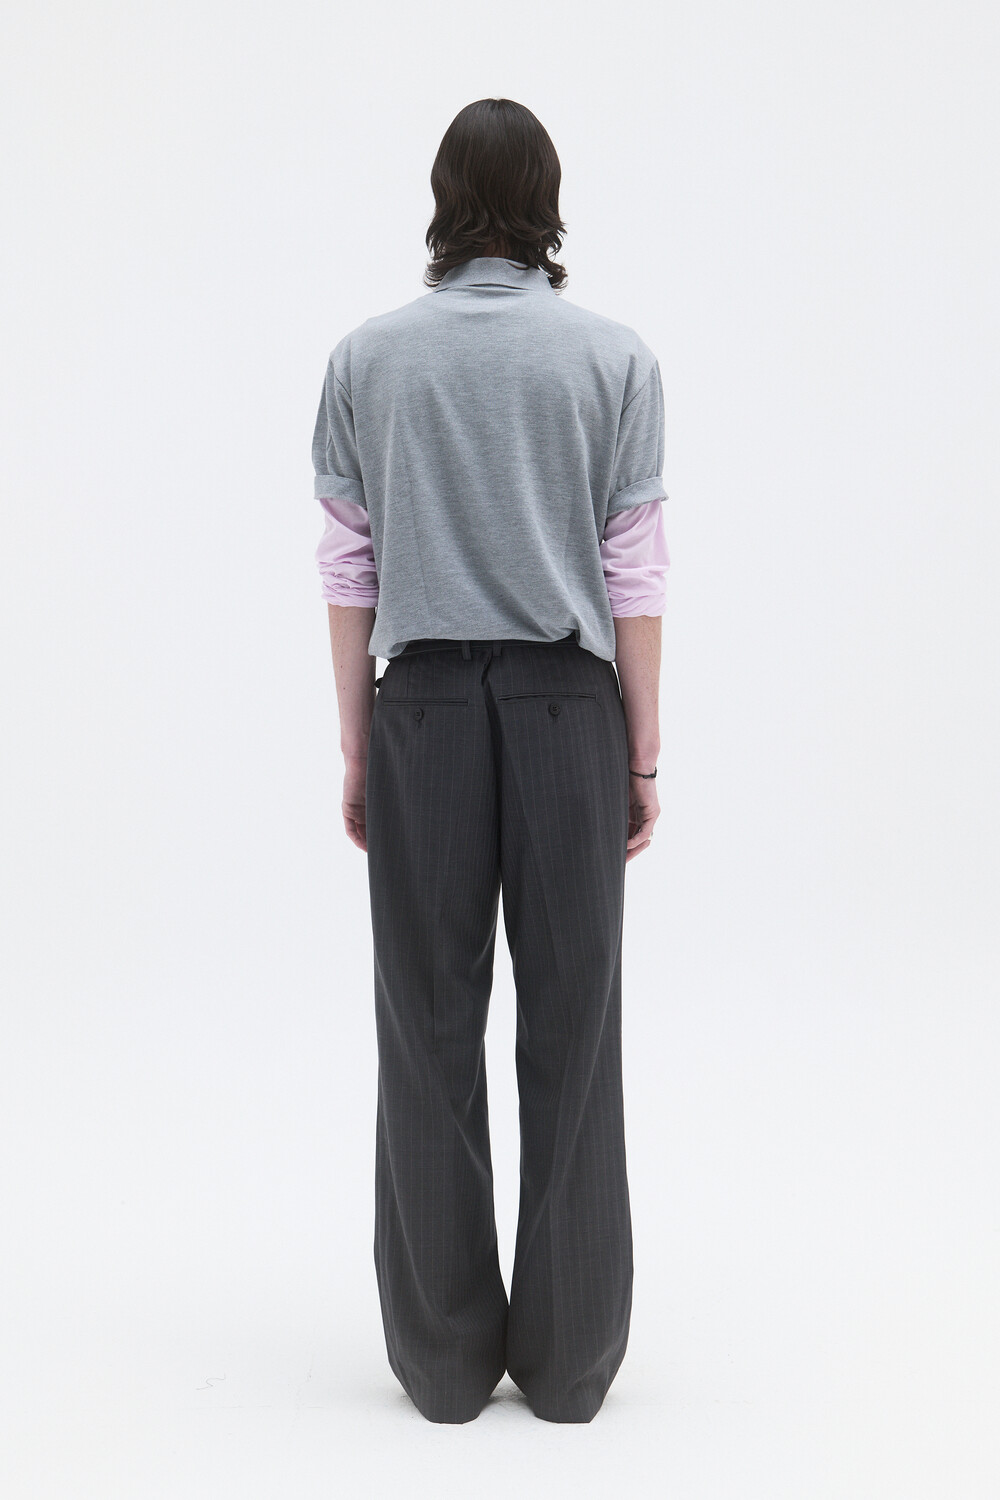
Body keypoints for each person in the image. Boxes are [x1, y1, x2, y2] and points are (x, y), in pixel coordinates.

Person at [311, 98, 669, 1424]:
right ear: (547, 202)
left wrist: (360, 742)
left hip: (420, 707)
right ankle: (570, 1365)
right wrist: (640, 751)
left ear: (443, 198)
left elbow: (349, 568)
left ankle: (444, 1362)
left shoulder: (368, 359)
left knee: (425, 1026)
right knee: (576, 1026)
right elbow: (634, 571)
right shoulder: (614, 359)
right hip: (573, 705)